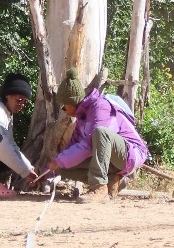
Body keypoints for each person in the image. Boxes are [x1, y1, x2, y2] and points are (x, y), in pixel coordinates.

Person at [30, 68, 148, 204]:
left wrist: (60, 161)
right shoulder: (81, 117)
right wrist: (49, 171)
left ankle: (99, 188)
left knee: (100, 133)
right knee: (61, 167)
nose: (65, 111)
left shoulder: (100, 107)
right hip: (111, 158)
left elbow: (90, 144)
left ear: (73, 102)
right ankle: (112, 180)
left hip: (131, 153)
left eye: (64, 107)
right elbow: (71, 148)